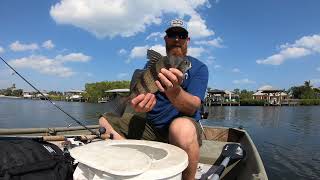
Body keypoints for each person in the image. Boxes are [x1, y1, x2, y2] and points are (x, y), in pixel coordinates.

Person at [99, 19, 209, 180]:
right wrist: (140, 106)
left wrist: (174, 90)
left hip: (180, 128)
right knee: (105, 121)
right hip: (151, 125)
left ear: (187, 40)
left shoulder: (199, 67)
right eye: (172, 35)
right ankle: (134, 163)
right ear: (166, 39)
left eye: (182, 35)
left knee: (182, 129)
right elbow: (143, 93)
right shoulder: (152, 64)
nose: (177, 39)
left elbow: (193, 107)